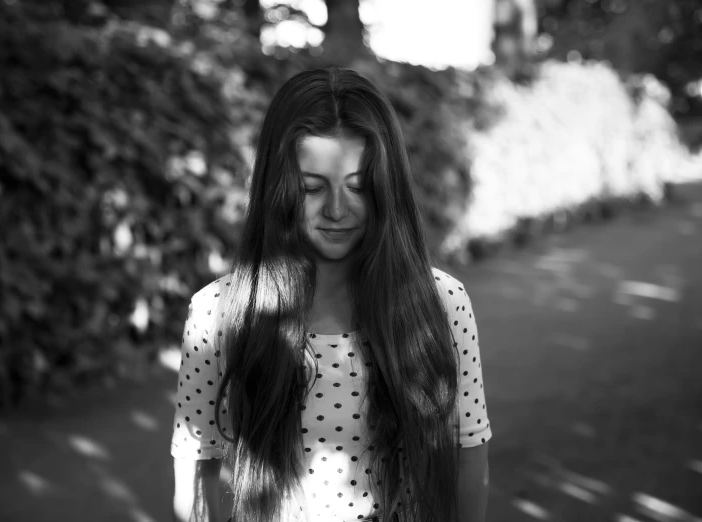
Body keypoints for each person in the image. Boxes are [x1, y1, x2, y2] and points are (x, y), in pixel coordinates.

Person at [170, 66, 491, 522]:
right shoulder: (218, 313)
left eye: (358, 187)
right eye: (311, 188)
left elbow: (467, 457)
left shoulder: (441, 304)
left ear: (385, 189)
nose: (337, 210)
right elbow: (199, 477)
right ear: (277, 189)